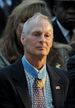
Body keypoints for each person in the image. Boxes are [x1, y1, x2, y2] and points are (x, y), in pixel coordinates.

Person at [0, 12, 69, 108]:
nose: (42, 40)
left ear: (52, 41)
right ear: (23, 38)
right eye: (37, 34)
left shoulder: (64, 79)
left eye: (47, 35)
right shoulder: (4, 78)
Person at [0, 0, 51, 68]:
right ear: (14, 25)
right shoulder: (2, 55)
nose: (31, 28)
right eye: (25, 21)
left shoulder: (61, 53)